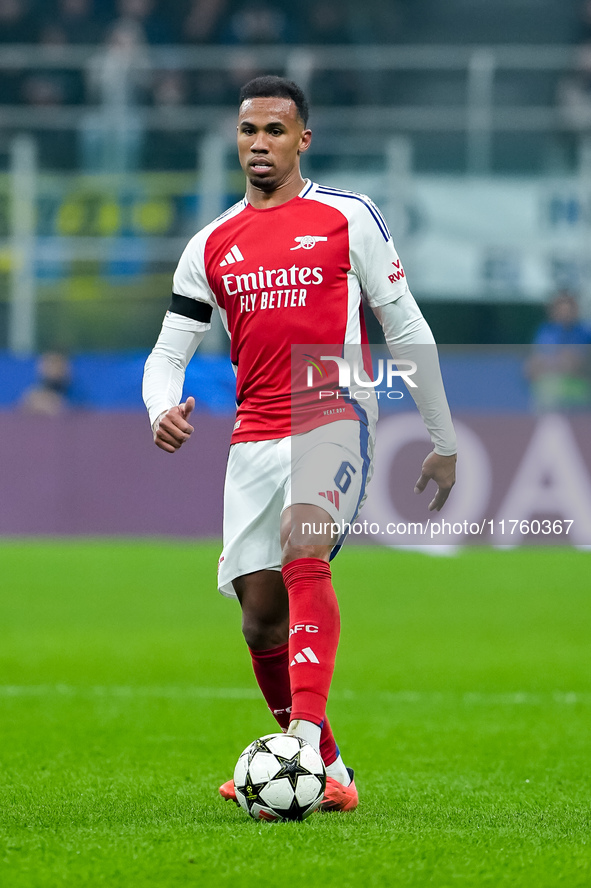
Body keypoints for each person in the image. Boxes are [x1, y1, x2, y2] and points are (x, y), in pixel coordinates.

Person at [142, 75, 457, 812]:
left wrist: (440, 437)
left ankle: (303, 745)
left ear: (301, 139)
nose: (260, 143)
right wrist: (160, 406)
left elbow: (404, 325)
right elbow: (167, 353)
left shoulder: (348, 217)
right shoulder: (211, 243)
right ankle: (332, 773)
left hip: (334, 403)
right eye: (250, 130)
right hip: (254, 427)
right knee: (258, 614)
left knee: (302, 544)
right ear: (237, 138)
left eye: (275, 131)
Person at [526, 290, 591, 412]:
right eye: (561, 309)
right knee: (542, 390)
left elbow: (575, 364)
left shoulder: (585, 333)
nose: (565, 314)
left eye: (568, 310)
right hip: (549, 383)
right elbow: (534, 365)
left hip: (579, 386)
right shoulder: (545, 331)